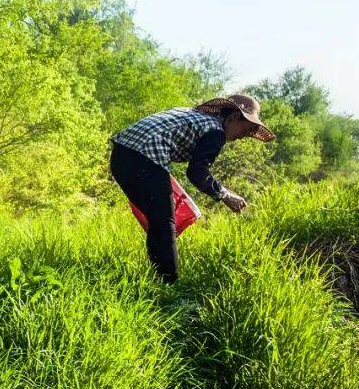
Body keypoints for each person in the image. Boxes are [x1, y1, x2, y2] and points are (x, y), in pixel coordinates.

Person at [109, 94, 275, 282]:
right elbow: (197, 173)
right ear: (234, 117)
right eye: (246, 130)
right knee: (164, 224)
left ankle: (158, 278)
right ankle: (169, 287)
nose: (242, 137)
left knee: (160, 222)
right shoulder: (215, 132)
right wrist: (226, 196)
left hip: (120, 155)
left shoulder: (191, 114)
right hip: (143, 158)